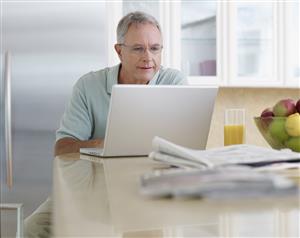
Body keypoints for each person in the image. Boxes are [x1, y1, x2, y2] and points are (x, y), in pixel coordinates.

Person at [24, 11, 186, 237]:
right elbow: (62, 147)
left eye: (155, 48)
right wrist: (107, 143)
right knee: (34, 227)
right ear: (119, 51)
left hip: (151, 189)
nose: (148, 57)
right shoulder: (88, 85)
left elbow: (182, 144)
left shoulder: (174, 83)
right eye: (138, 48)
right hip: (90, 189)